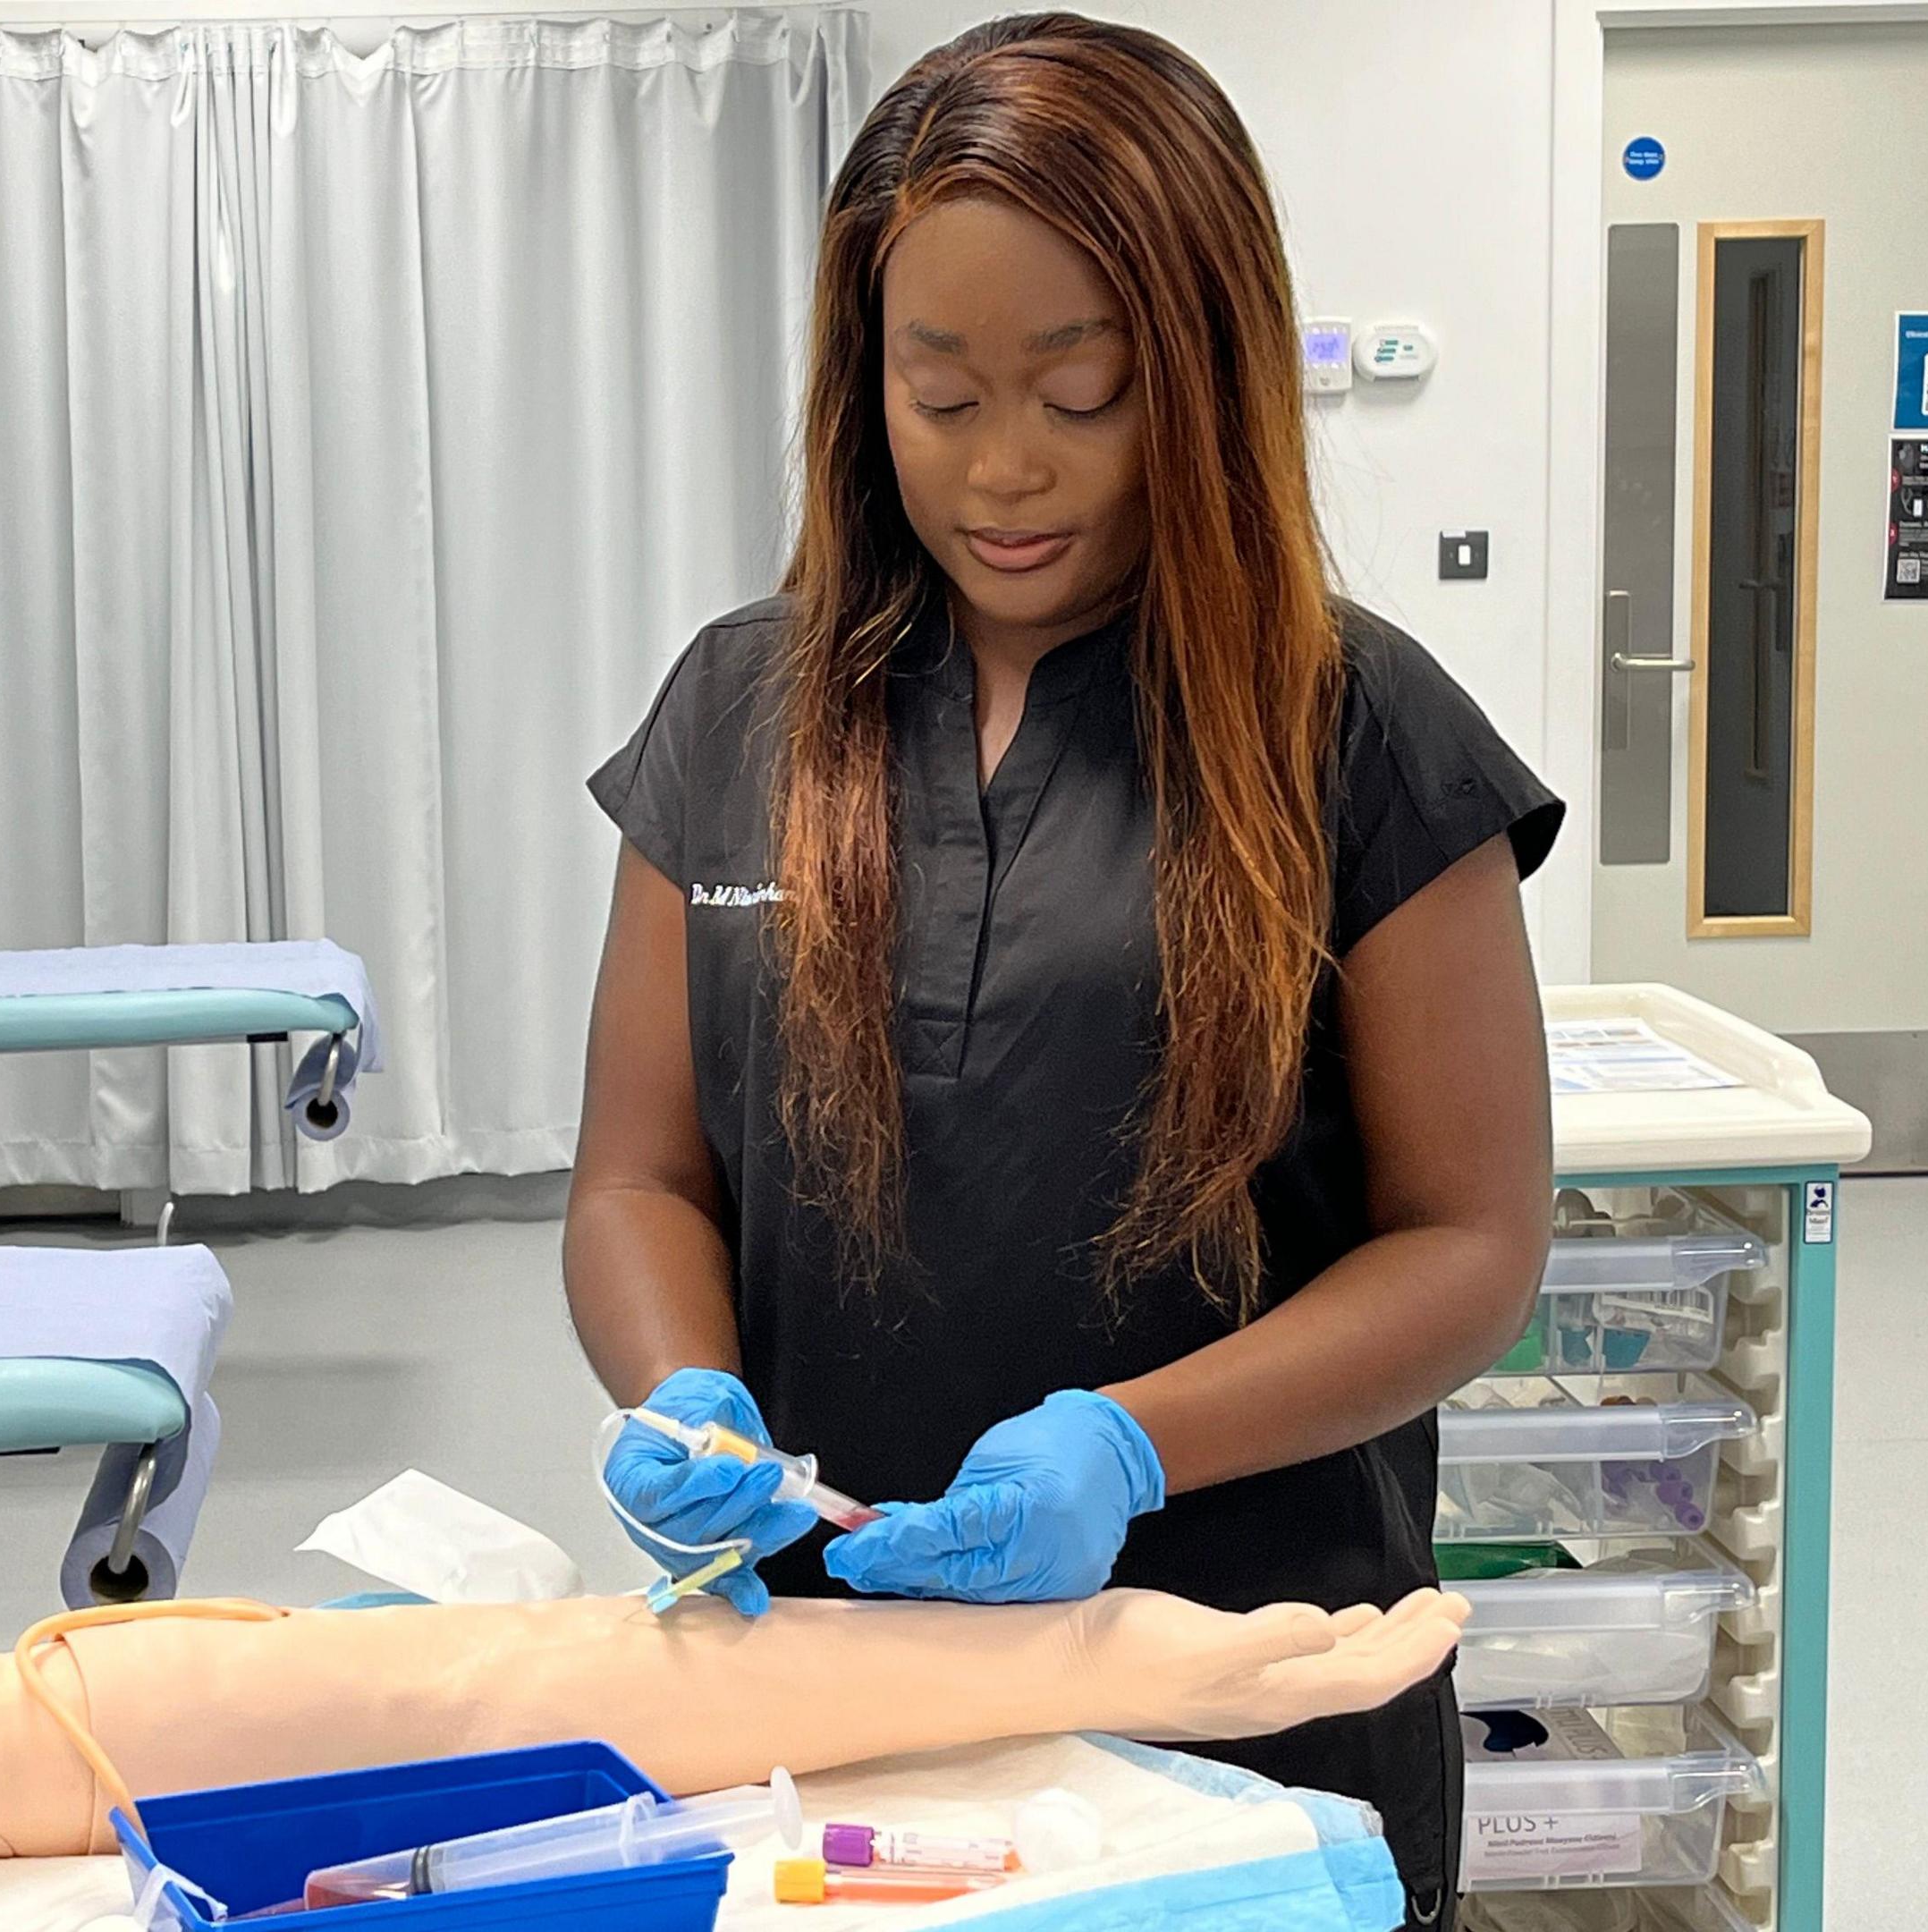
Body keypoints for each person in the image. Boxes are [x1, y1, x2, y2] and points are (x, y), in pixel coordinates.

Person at [562, 14, 1563, 1928]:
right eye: (939, 396)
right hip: (825, 1700)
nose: (1005, 471)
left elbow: (1470, 1246)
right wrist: (682, 1394)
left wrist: (1135, 1441)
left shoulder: (1353, 729)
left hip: (1246, 1724)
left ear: (1202, 371)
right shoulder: (738, 711)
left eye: (1081, 392)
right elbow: (639, 1175)